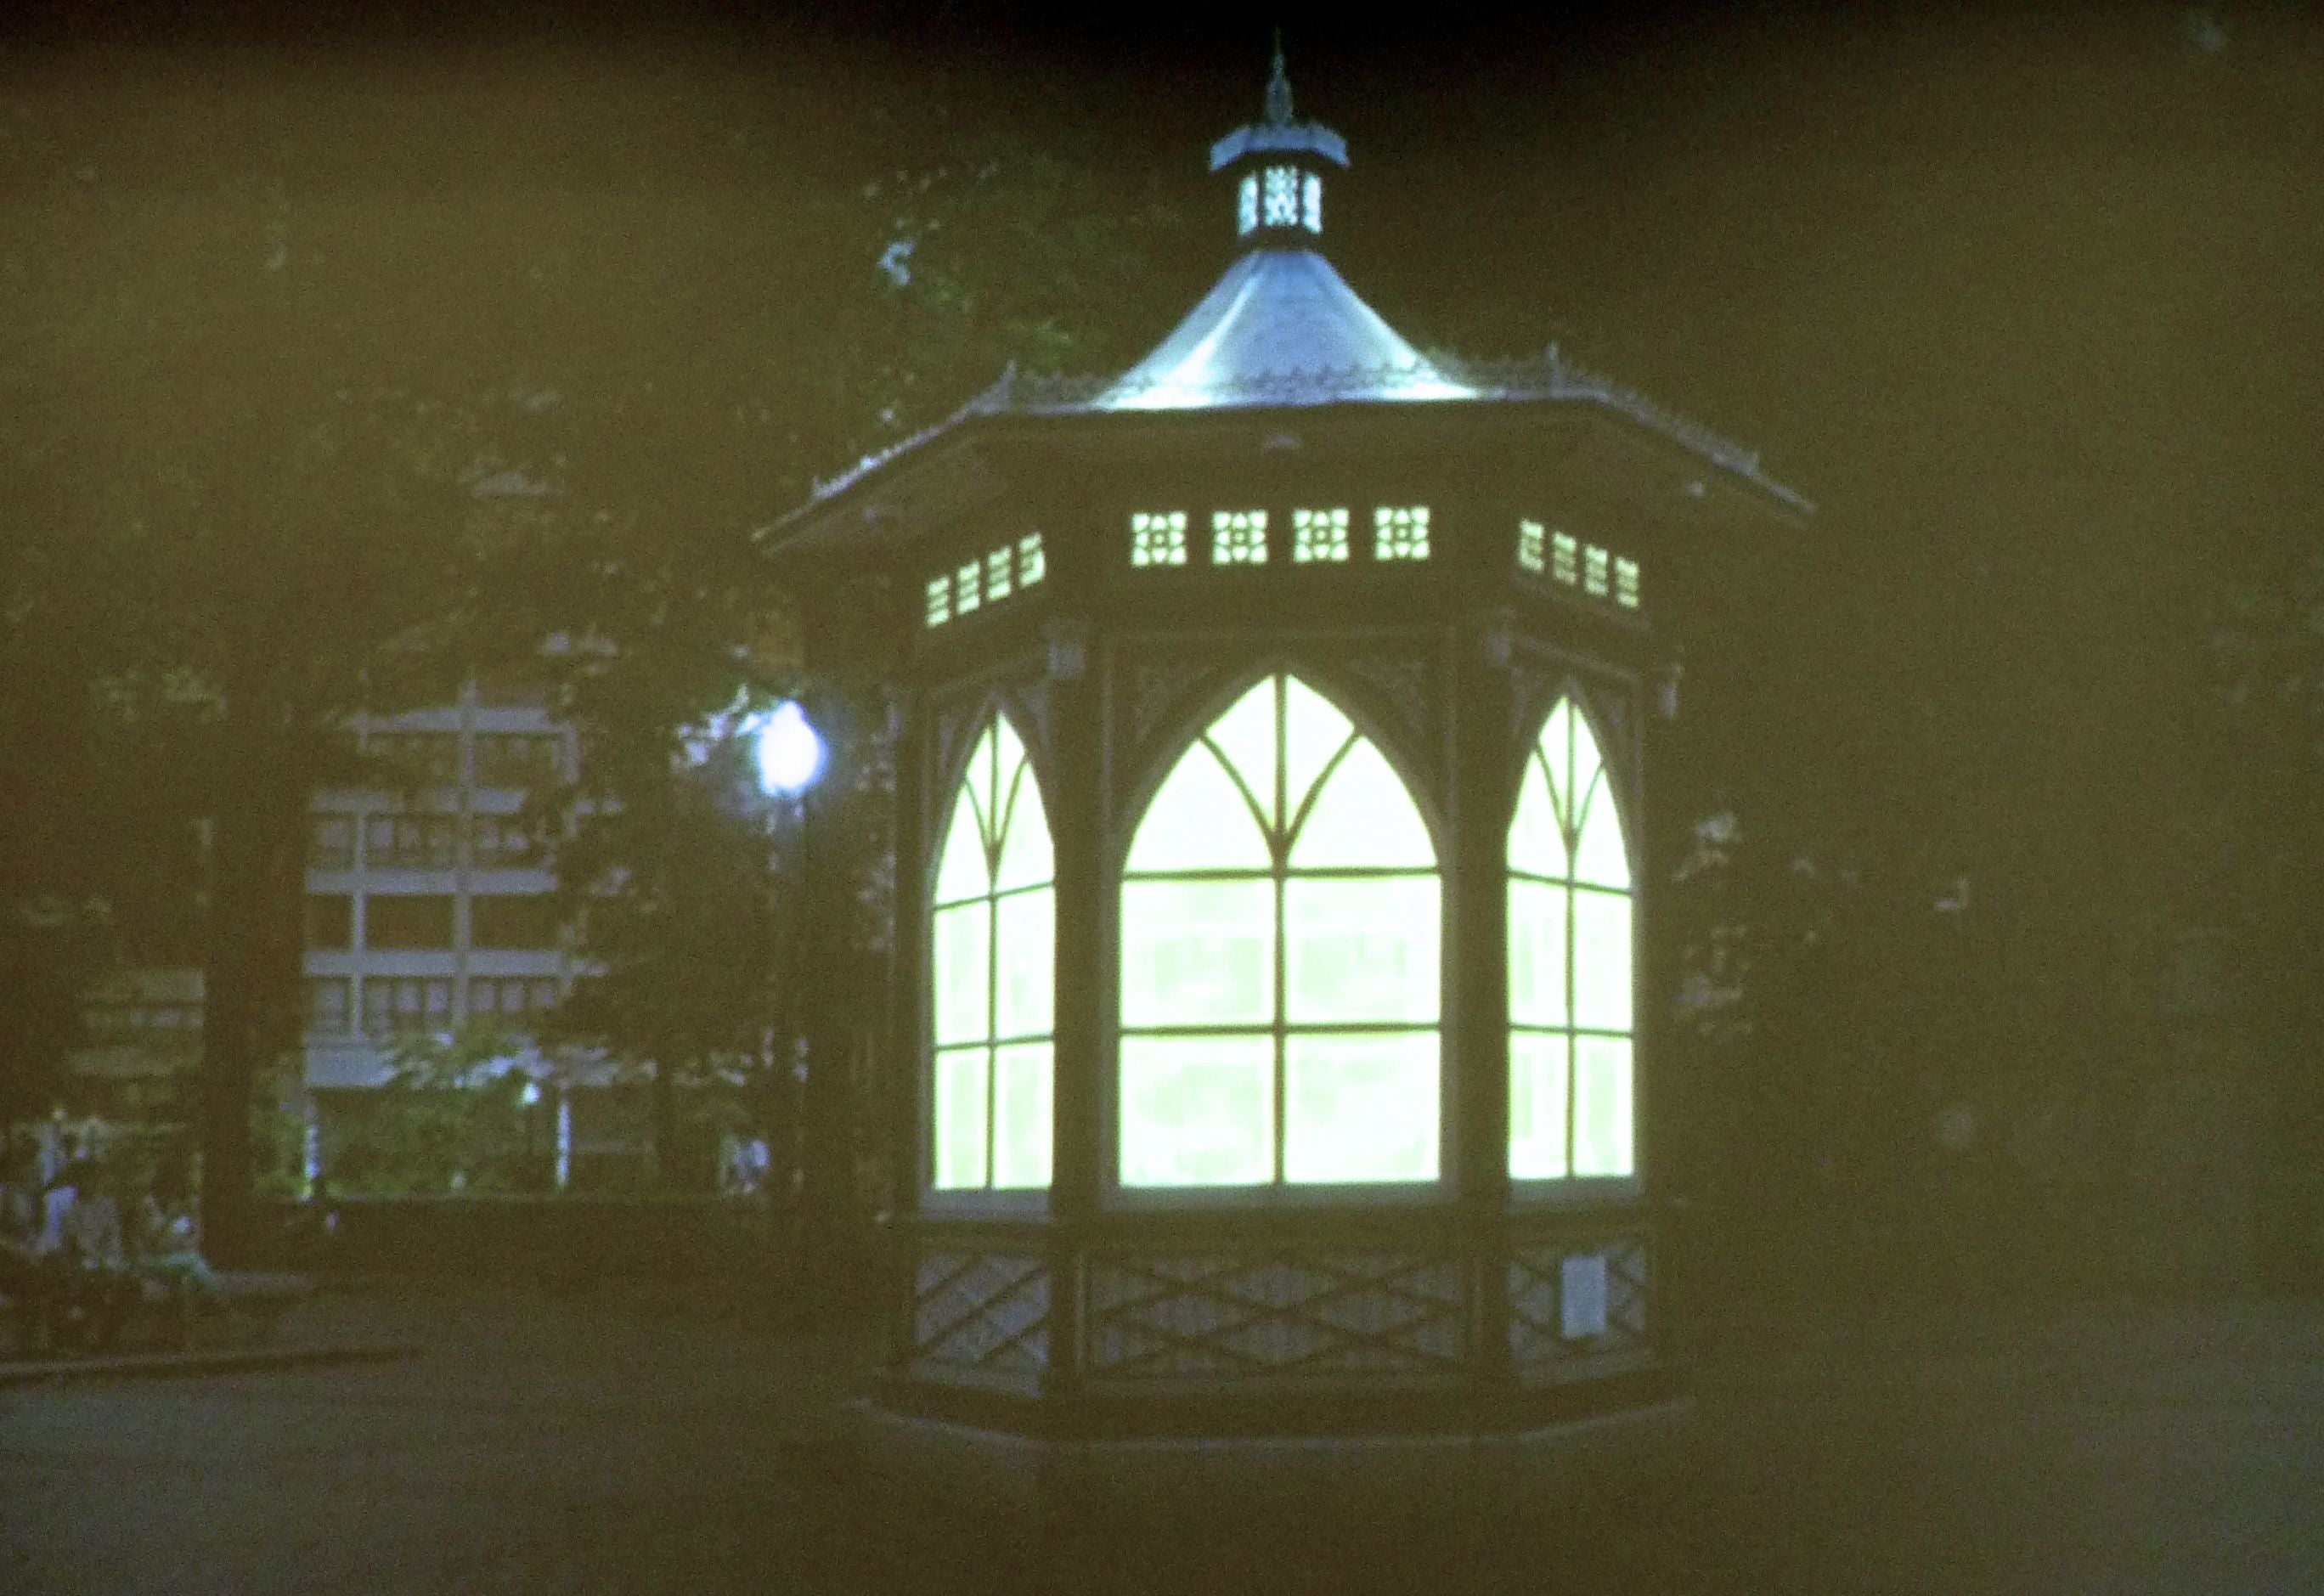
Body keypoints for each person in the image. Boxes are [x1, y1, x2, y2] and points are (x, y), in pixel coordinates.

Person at [0, 1143, 48, 1353]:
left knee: (49, 1273)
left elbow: (35, 1232)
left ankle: (42, 1340)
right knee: (34, 1277)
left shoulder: (31, 1196)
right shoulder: (4, 1194)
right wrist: (21, 1252)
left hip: (28, 1256)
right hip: (7, 1257)